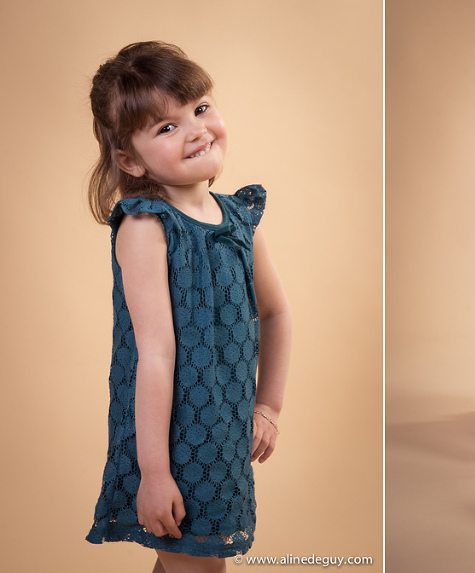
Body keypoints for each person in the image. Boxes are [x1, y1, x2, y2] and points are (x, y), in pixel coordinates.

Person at [85, 41, 291, 573]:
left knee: (191, 562)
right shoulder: (146, 227)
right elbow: (154, 354)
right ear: (130, 160)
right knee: (199, 565)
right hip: (169, 438)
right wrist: (155, 473)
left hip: (223, 428)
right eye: (166, 127)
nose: (196, 130)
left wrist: (268, 406)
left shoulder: (240, 220)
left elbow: (276, 314)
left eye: (200, 108)